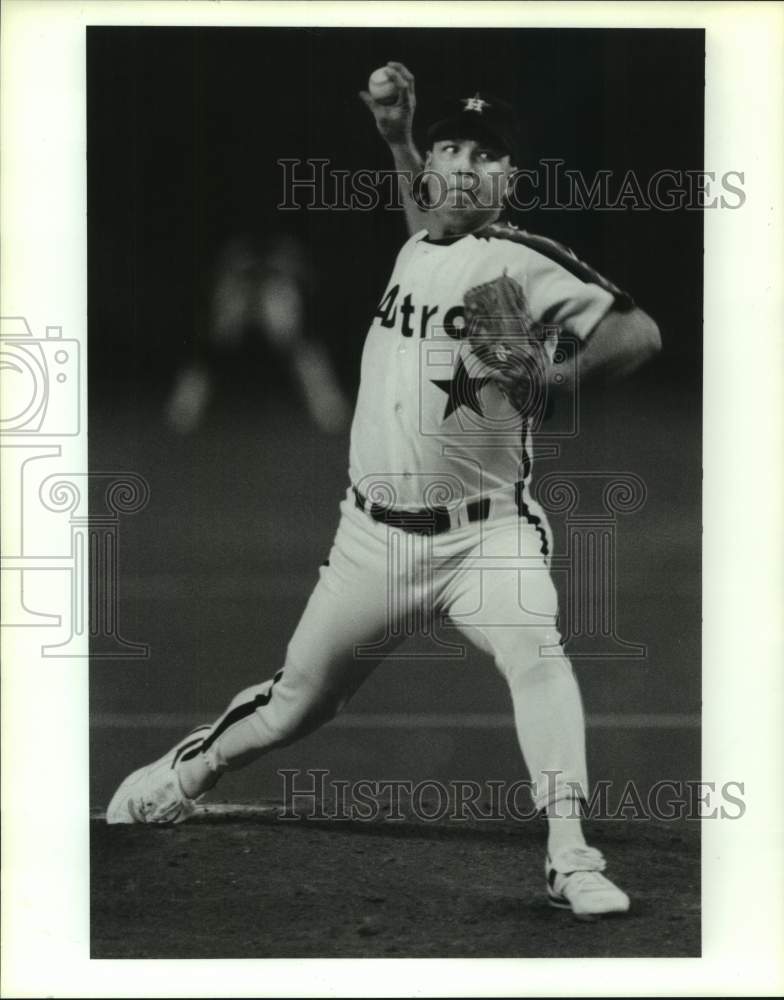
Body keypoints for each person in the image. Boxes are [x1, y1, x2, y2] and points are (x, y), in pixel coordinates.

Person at [107, 62, 661, 920]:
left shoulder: (521, 259)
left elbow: (639, 330)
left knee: (538, 656)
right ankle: (187, 772)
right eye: (451, 147)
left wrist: (560, 384)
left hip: (488, 537)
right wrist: (399, 141)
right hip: (372, 540)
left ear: (509, 179)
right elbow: (426, 221)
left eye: (487, 155)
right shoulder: (419, 241)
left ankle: (569, 851)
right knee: (297, 703)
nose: (465, 165)